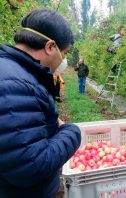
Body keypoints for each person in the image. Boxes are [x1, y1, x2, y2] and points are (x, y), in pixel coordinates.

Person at [0, 9, 81, 198]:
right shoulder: (14, 85)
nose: (64, 60)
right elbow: (31, 167)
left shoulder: (15, 73)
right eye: (65, 52)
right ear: (50, 47)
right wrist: (72, 132)